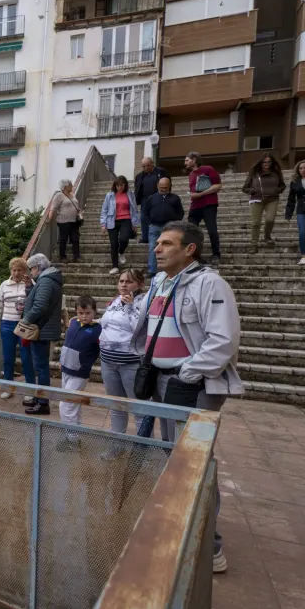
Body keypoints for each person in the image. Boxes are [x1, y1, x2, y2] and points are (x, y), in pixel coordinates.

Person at [132, 220, 242, 574]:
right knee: (177, 459)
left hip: (191, 386)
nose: (157, 248)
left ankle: (210, 547)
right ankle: (181, 525)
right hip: (164, 383)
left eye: (166, 243)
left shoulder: (210, 283)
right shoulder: (161, 282)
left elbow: (223, 339)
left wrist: (187, 373)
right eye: (157, 242)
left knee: (194, 461)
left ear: (189, 249)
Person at [98, 269, 147, 442]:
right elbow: (107, 324)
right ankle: (117, 445)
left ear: (140, 284)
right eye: (121, 281)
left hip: (130, 364)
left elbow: (140, 330)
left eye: (129, 281)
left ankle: (142, 452)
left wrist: (131, 306)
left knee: (139, 409)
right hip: (108, 361)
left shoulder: (144, 302)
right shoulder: (115, 301)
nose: (124, 285)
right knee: (116, 406)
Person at [21, 253, 63, 415]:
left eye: (31, 269)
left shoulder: (45, 281)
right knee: (41, 366)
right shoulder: (49, 279)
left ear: (38, 267)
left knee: (41, 367)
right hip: (44, 328)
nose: (31, 273)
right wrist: (30, 287)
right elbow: (40, 300)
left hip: (41, 329)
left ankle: (43, 402)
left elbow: (40, 306)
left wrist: (25, 320)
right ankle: (40, 399)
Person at [58, 296, 102, 451]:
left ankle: (71, 439)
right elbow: (67, 343)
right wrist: (62, 359)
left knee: (66, 406)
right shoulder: (74, 323)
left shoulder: (97, 329)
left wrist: (86, 364)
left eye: (88, 313)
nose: (84, 316)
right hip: (66, 369)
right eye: (81, 312)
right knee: (73, 406)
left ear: (94, 312)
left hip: (79, 373)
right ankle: (74, 436)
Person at [0, 257, 35, 401]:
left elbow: (36, 301)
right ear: (11, 270)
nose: (16, 273)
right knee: (8, 358)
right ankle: (8, 387)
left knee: (26, 357)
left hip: (23, 325)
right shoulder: (4, 285)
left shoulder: (30, 284)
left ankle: (30, 389)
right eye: (14, 270)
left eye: (20, 270)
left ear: (24, 271)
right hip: (6, 324)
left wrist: (30, 287)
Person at [242, 153, 286, 253]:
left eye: (268, 162)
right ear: (260, 163)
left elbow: (282, 186)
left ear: (272, 163)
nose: (266, 164)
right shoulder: (254, 174)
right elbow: (244, 188)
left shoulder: (276, 173)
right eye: (264, 162)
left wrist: (277, 190)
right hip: (257, 199)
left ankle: (267, 236)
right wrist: (252, 190)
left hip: (272, 199)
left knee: (270, 220)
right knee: (256, 223)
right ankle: (253, 245)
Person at [185, 151, 222, 267]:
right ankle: (195, 256)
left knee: (212, 230)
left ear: (194, 159)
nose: (185, 162)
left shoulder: (208, 169)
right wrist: (193, 194)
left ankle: (216, 254)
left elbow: (218, 186)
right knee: (191, 231)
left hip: (208, 204)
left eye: (187, 160)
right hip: (195, 206)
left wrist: (200, 194)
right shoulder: (191, 174)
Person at [142, 177, 184, 277]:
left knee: (170, 248)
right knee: (153, 247)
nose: (163, 189)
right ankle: (152, 270)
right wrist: (150, 223)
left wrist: (174, 223)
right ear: (157, 186)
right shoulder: (151, 198)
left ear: (169, 186)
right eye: (161, 187)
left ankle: (171, 268)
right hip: (155, 226)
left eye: (165, 187)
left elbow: (180, 213)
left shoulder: (175, 198)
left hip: (169, 228)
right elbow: (145, 213)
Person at [100, 175, 140, 275]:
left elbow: (134, 209)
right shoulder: (109, 195)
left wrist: (135, 223)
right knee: (114, 244)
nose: (120, 187)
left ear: (125, 185)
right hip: (112, 221)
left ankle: (121, 252)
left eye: (122, 185)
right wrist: (103, 224)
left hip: (126, 219)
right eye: (118, 185)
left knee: (123, 239)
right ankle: (115, 266)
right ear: (115, 185)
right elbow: (104, 210)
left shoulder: (130, 194)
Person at [47, 179, 83, 262]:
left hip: (74, 221)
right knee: (63, 239)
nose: (72, 185)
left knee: (75, 239)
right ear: (65, 186)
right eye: (70, 184)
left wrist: (80, 214)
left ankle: (76, 257)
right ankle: (62, 257)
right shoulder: (58, 196)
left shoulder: (72, 195)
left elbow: (77, 206)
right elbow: (53, 209)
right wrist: (49, 219)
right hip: (63, 221)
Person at [134, 157, 168, 243]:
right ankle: (145, 237)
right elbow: (137, 188)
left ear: (152, 164)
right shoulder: (139, 176)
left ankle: (161, 237)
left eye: (148, 165)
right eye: (143, 166)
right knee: (143, 218)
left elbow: (168, 182)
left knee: (158, 216)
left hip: (158, 197)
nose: (146, 168)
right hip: (144, 199)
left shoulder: (161, 171)